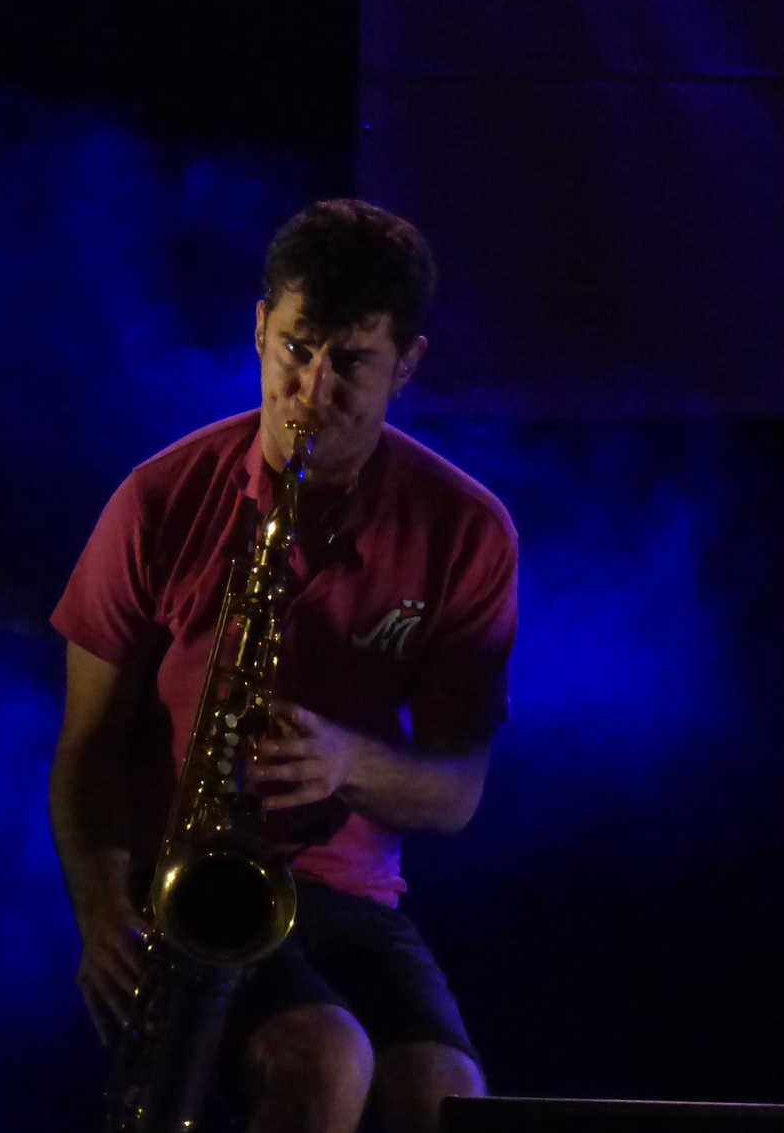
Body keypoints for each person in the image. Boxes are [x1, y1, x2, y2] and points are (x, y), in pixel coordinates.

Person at [51, 200, 519, 1133]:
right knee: (322, 1057)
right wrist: (103, 909)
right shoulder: (159, 499)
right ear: (259, 327)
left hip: (350, 894)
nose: (312, 393)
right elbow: (88, 747)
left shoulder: (465, 531)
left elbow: (459, 791)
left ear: (406, 366)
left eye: (350, 364)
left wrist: (349, 762)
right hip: (185, 877)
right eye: (296, 349)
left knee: (449, 1102)